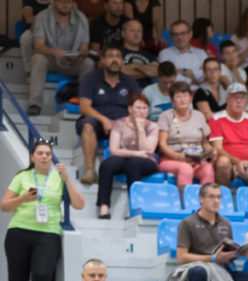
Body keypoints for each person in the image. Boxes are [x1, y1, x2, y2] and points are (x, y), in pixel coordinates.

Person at [4, 140, 84, 281]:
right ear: (32, 156)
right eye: (40, 153)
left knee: (42, 276)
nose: (44, 157)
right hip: (19, 231)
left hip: (47, 234)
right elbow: (4, 205)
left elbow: (79, 204)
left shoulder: (58, 178)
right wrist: (23, 198)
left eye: (48, 153)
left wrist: (67, 180)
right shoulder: (22, 177)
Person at [175, 182, 248, 281]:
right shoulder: (187, 223)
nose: (216, 201)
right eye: (212, 197)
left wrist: (238, 253)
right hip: (201, 268)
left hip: (224, 269)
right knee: (198, 272)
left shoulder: (225, 223)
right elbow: (181, 257)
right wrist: (212, 258)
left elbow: (227, 251)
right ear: (201, 199)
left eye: (219, 197)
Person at [76, 44, 141, 186]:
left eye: (118, 57)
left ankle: (126, 172)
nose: (115, 60)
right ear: (103, 60)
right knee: (88, 124)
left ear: (122, 61)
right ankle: (90, 170)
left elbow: (138, 108)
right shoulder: (90, 79)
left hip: (123, 123)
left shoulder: (129, 82)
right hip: (97, 122)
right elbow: (84, 107)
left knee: (138, 125)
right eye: (111, 56)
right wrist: (105, 120)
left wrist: (121, 123)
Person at [26, 0, 95, 116]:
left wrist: (79, 55)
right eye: (62, 1)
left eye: (68, 2)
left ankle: (81, 102)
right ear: (54, 2)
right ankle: (35, 104)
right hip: (51, 59)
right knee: (38, 58)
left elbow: (84, 47)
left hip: (72, 61)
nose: (65, 4)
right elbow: (38, 46)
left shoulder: (81, 18)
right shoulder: (42, 17)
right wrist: (55, 52)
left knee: (88, 63)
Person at [95, 92, 158, 219]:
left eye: (145, 108)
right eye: (138, 108)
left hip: (146, 161)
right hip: (125, 157)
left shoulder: (153, 126)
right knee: (107, 164)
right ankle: (104, 206)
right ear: (130, 109)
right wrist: (135, 153)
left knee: (133, 164)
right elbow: (113, 150)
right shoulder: (119, 124)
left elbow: (148, 149)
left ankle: (133, 207)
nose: (141, 111)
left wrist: (140, 129)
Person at [156, 81, 214, 186]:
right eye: (178, 96)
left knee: (208, 169)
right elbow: (162, 145)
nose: (182, 99)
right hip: (171, 159)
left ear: (191, 98)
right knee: (185, 168)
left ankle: (206, 201)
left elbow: (205, 143)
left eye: (185, 96)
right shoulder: (165, 116)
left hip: (196, 160)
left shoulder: (199, 116)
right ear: (172, 100)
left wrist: (210, 151)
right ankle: (184, 202)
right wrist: (178, 157)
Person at [157, 20, 205, 84]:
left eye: (183, 33)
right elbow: (167, 77)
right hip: (175, 92)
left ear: (190, 34)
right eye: (176, 34)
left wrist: (181, 71)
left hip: (198, 92)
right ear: (172, 36)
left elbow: (206, 76)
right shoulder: (165, 53)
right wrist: (195, 79)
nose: (179, 37)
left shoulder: (201, 54)